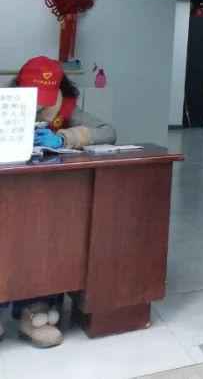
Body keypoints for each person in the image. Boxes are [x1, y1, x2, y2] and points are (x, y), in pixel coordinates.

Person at [7, 55, 118, 348]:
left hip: (51, 196)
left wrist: (65, 137)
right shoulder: (7, 104)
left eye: (47, 95)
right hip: (9, 194)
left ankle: (35, 310)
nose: (41, 104)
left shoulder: (69, 110)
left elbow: (108, 131)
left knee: (48, 241)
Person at [17, 55, 116, 151]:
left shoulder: (67, 109)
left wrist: (63, 139)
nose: (38, 101)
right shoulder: (11, 102)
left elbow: (108, 133)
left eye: (44, 94)